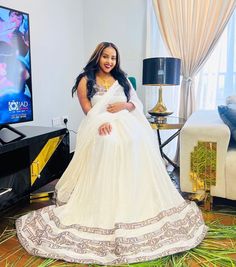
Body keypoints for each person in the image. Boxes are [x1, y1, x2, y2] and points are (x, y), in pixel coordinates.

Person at [16, 42, 207, 265]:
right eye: (105, 57)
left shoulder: (122, 79)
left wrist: (123, 107)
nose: (109, 61)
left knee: (137, 140)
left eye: (113, 58)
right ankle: (107, 197)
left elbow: (135, 103)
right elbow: (87, 110)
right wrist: (101, 123)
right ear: (98, 57)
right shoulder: (85, 80)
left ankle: (132, 194)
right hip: (100, 126)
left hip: (126, 122)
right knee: (110, 143)